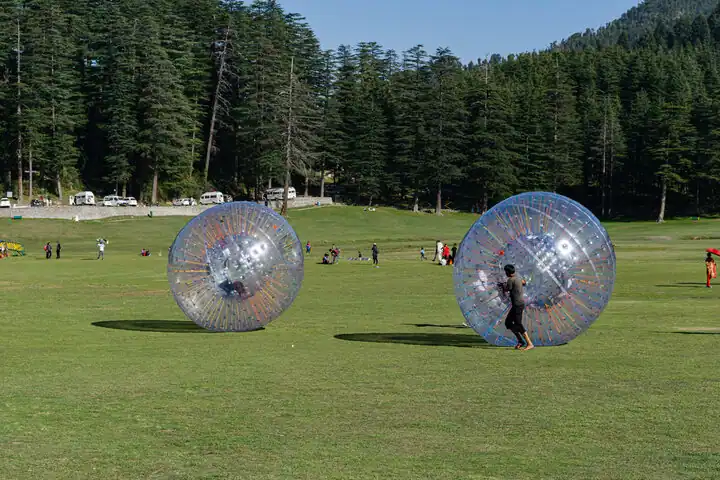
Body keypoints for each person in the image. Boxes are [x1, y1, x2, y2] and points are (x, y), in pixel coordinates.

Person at [499, 264, 534, 351]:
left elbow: (507, 289)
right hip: (518, 304)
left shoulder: (510, 280)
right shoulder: (518, 278)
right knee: (508, 323)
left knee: (518, 323)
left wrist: (502, 286)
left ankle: (530, 343)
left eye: (505, 272)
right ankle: (520, 341)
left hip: (518, 304)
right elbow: (524, 283)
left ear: (507, 272)